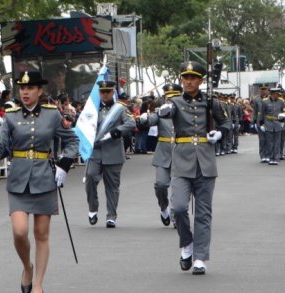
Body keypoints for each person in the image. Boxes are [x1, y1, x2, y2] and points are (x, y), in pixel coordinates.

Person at [0, 70, 78, 293]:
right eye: (22, 88)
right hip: (18, 177)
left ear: (39, 90)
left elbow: (72, 141)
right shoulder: (11, 116)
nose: (25, 92)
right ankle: (27, 266)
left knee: (41, 234)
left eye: (30, 88)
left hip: (44, 177)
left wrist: (65, 164)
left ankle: (38, 284)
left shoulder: (52, 115)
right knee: (19, 231)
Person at [158, 61, 230, 275]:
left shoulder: (211, 102)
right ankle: (186, 244)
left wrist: (219, 134)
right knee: (179, 208)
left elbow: (225, 124)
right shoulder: (175, 102)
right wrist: (161, 112)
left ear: (200, 80)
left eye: (193, 78)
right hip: (182, 161)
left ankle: (199, 257)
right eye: (185, 77)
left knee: (203, 213)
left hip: (205, 162)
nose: (188, 81)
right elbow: (165, 114)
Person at [85, 80, 136, 228]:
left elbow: (131, 123)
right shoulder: (92, 108)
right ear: (99, 93)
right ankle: (93, 208)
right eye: (102, 92)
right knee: (90, 177)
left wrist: (118, 130)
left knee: (112, 186)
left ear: (113, 92)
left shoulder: (119, 108)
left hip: (113, 152)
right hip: (96, 151)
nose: (105, 94)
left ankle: (111, 216)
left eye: (108, 91)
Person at [141, 83, 182, 227]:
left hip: (181, 153)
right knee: (160, 185)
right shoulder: (160, 112)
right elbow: (151, 120)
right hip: (163, 152)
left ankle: (176, 216)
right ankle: (164, 208)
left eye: (174, 97)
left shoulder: (185, 112)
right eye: (168, 97)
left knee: (179, 188)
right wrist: (144, 118)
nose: (171, 100)